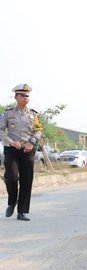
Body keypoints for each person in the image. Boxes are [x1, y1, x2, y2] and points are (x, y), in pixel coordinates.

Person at [0, 83, 43, 221]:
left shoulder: (34, 115)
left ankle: (22, 211)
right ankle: (12, 201)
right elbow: (0, 129)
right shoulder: (8, 113)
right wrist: (10, 141)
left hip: (27, 150)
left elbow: (38, 130)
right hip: (11, 149)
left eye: (27, 95)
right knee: (11, 177)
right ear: (16, 97)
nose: (26, 98)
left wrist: (31, 142)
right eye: (23, 95)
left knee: (26, 180)